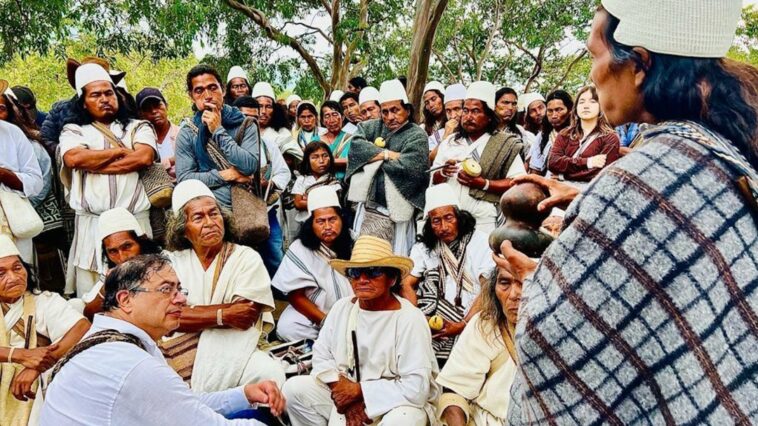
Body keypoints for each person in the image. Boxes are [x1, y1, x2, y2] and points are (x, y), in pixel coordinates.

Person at [505, 0, 758, 423]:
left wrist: (537, 284)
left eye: (593, 55)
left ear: (639, 64)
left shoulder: (639, 182)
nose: (592, 73)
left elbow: (555, 343)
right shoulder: (718, 149)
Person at [40, 254, 285, 425]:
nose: (180, 300)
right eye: (167, 290)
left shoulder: (109, 342)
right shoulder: (130, 364)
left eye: (179, 290)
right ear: (125, 300)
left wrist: (244, 393)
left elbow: (180, 404)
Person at [282, 235, 440, 426]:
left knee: (403, 420)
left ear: (392, 279)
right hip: (346, 391)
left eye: (372, 272)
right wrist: (346, 396)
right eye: (355, 273)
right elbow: (321, 356)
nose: (362, 280)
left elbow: (416, 389)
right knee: (294, 389)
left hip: (397, 404)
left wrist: (360, 391)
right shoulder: (342, 308)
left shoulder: (410, 319)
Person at [162, 180, 285, 392]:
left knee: (270, 373)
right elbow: (165, 317)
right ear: (183, 230)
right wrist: (224, 314)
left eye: (214, 213)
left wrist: (189, 315)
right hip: (180, 352)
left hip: (234, 350)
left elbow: (245, 316)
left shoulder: (246, 258)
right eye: (198, 217)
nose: (210, 222)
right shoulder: (170, 262)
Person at [59, 63, 157, 298]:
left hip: (135, 225)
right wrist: (119, 152)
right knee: (95, 298)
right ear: (83, 101)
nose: (104, 99)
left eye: (108, 93)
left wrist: (93, 164)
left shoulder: (138, 126)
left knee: (144, 290)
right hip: (92, 228)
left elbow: (143, 156)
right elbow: (74, 158)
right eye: (95, 95)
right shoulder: (73, 130)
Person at [0, 235, 89, 425]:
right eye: (1, 273)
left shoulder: (45, 301)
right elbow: (22, 356)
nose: (14, 277)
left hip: (33, 391)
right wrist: (18, 355)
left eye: (17, 268)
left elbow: (81, 327)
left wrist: (37, 366)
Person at [401, 184, 494, 364]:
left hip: (473, 318)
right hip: (434, 320)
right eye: (436, 221)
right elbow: (406, 283)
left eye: (448, 218)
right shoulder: (423, 249)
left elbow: (487, 288)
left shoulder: (480, 242)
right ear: (429, 223)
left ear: (459, 217)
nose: (443, 227)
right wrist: (419, 319)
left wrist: (463, 325)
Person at [436, 243, 520, 426]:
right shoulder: (485, 325)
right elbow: (454, 393)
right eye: (505, 282)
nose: (514, 294)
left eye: (523, 282)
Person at [347, 79, 429, 255]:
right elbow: (355, 147)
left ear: (407, 110)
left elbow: (410, 167)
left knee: (395, 256)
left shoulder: (417, 135)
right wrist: (387, 154)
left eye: (395, 110)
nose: (390, 117)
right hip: (368, 206)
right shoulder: (371, 126)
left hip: (399, 210)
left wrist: (370, 160)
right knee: (365, 255)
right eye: (385, 112)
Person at [431, 81, 526, 234]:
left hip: (484, 221)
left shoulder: (504, 144)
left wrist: (484, 184)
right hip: (450, 222)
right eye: (466, 111)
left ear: (489, 116)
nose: (468, 117)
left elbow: (518, 183)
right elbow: (433, 180)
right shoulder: (450, 142)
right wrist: (443, 172)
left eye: (475, 111)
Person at [272, 186, 354, 341]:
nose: (328, 227)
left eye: (332, 219)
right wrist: (326, 322)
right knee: (287, 326)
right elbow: (295, 296)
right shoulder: (300, 248)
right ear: (311, 224)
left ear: (341, 219)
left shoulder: (354, 241)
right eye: (320, 221)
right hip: (317, 313)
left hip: (352, 309)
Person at [174, 64, 260, 209]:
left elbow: (249, 166)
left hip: (244, 211)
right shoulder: (187, 133)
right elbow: (185, 178)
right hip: (206, 213)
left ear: (223, 90)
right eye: (199, 91)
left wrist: (218, 130)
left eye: (213, 88)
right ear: (191, 96)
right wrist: (227, 175)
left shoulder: (245, 124)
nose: (207, 96)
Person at [77, 207, 161, 319]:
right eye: (113, 251)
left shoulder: (166, 264)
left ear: (141, 241)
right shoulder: (115, 274)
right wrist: (107, 289)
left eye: (127, 246)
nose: (122, 258)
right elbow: (89, 313)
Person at [0, 81, 44, 263]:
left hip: (14, 222)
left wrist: (4, 175)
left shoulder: (12, 133)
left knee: (18, 280)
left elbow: (36, 182)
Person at [548, 85, 620, 183]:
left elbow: (599, 173)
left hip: (589, 190)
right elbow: (553, 162)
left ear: (601, 107)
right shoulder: (564, 134)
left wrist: (563, 175)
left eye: (592, 101)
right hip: (559, 187)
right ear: (576, 108)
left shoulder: (610, 137)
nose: (586, 106)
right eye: (581, 102)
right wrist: (588, 162)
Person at [291, 141, 342, 225]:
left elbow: (332, 205)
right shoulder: (302, 179)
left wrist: (307, 199)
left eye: (325, 156)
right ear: (308, 160)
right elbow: (298, 203)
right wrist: (323, 201)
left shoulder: (333, 181)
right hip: (305, 223)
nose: (321, 161)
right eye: (315, 157)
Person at [527, 90, 573, 175]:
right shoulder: (542, 136)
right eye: (550, 111)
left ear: (570, 110)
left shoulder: (578, 134)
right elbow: (535, 171)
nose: (554, 115)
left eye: (559, 110)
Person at [137, 87, 179, 180]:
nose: (154, 111)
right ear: (140, 114)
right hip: (154, 191)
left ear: (166, 106)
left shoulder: (182, 134)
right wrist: (171, 161)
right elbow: (144, 169)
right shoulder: (140, 141)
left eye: (158, 106)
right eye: (148, 109)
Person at [495, 87, 537, 157]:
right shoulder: (485, 130)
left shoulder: (520, 131)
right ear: (494, 105)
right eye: (506, 102)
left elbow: (527, 157)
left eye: (514, 104)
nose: (510, 108)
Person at [253, 81, 293, 153]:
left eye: (268, 106)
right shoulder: (245, 131)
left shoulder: (283, 133)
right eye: (259, 106)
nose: (263, 111)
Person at [319, 100, 353, 181]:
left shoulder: (352, 139)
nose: (332, 120)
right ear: (323, 121)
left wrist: (328, 161)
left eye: (335, 114)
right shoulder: (316, 141)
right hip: (323, 184)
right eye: (327, 116)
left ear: (343, 117)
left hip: (347, 183)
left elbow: (355, 160)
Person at [422, 81, 446, 152]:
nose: (431, 105)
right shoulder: (423, 128)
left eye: (433, 99)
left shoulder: (454, 121)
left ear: (442, 98)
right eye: (427, 103)